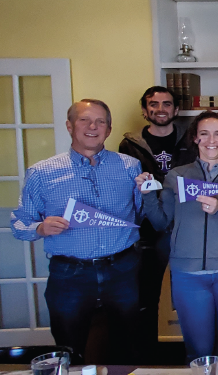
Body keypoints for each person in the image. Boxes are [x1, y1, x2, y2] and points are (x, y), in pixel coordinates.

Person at [11, 99, 143, 361]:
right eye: (84, 120)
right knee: (69, 349)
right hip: (69, 274)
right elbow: (19, 223)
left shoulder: (130, 166)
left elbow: (139, 213)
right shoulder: (41, 172)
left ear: (109, 128)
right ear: (69, 126)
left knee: (128, 346)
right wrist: (40, 227)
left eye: (100, 121)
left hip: (122, 270)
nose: (93, 126)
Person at [137, 111, 218, 364]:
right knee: (199, 351)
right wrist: (146, 194)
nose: (212, 140)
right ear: (195, 139)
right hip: (188, 275)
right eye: (204, 134)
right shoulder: (177, 176)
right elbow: (160, 222)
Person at [119, 86, 195, 356]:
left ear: (176, 110)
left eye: (166, 104)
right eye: (154, 104)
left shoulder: (191, 140)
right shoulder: (129, 145)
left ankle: (194, 351)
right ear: (144, 110)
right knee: (146, 295)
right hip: (148, 229)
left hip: (186, 225)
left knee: (189, 292)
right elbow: (128, 187)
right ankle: (147, 355)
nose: (160, 109)